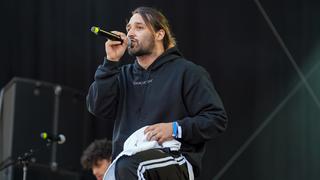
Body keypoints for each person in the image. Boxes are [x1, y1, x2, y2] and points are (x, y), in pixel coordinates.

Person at [87, 6, 228, 180]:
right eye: (128, 28)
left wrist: (175, 128)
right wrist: (110, 61)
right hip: (128, 163)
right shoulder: (122, 75)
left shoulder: (187, 72)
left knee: (132, 166)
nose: (130, 33)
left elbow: (216, 119)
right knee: (125, 167)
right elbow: (98, 107)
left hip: (175, 158)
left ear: (159, 34)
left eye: (139, 27)